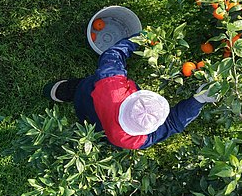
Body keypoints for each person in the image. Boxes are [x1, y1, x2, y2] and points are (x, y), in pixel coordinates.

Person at [43, 36, 219, 150]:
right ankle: (70, 106)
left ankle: (57, 91)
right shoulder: (133, 140)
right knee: (91, 125)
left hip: (85, 94)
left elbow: (112, 56)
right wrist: (199, 99)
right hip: (98, 128)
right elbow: (174, 123)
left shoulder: (113, 87)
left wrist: (138, 40)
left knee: (76, 89)